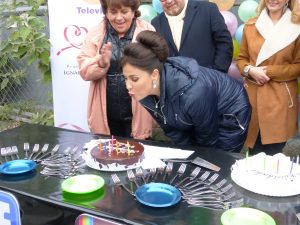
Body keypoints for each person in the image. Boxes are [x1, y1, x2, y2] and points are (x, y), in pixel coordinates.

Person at [120, 31, 251, 152]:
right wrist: (187, 152)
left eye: (134, 79)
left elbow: (208, 139)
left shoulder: (194, 93)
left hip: (231, 110)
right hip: (198, 113)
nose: (128, 86)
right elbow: (170, 128)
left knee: (219, 160)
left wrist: (201, 156)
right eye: (125, 78)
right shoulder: (143, 91)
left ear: (154, 75)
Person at [77, 0, 156, 139]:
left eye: (124, 11)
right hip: (106, 117)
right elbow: (84, 71)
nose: (119, 18)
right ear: (106, 12)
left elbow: (157, 71)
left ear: (133, 12)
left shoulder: (147, 31)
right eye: (113, 12)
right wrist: (101, 64)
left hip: (139, 113)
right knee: (107, 156)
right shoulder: (96, 34)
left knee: (138, 155)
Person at [236, 0, 300, 155]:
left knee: (273, 153)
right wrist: (250, 70)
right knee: (253, 151)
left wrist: (268, 72)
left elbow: (298, 66)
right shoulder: (251, 26)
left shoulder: (297, 27)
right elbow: (241, 59)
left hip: (280, 99)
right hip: (252, 98)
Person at [151, 0, 233, 73]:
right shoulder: (156, 23)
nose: (169, 1)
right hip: (175, 86)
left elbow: (224, 43)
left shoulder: (207, 9)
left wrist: (216, 74)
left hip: (210, 83)